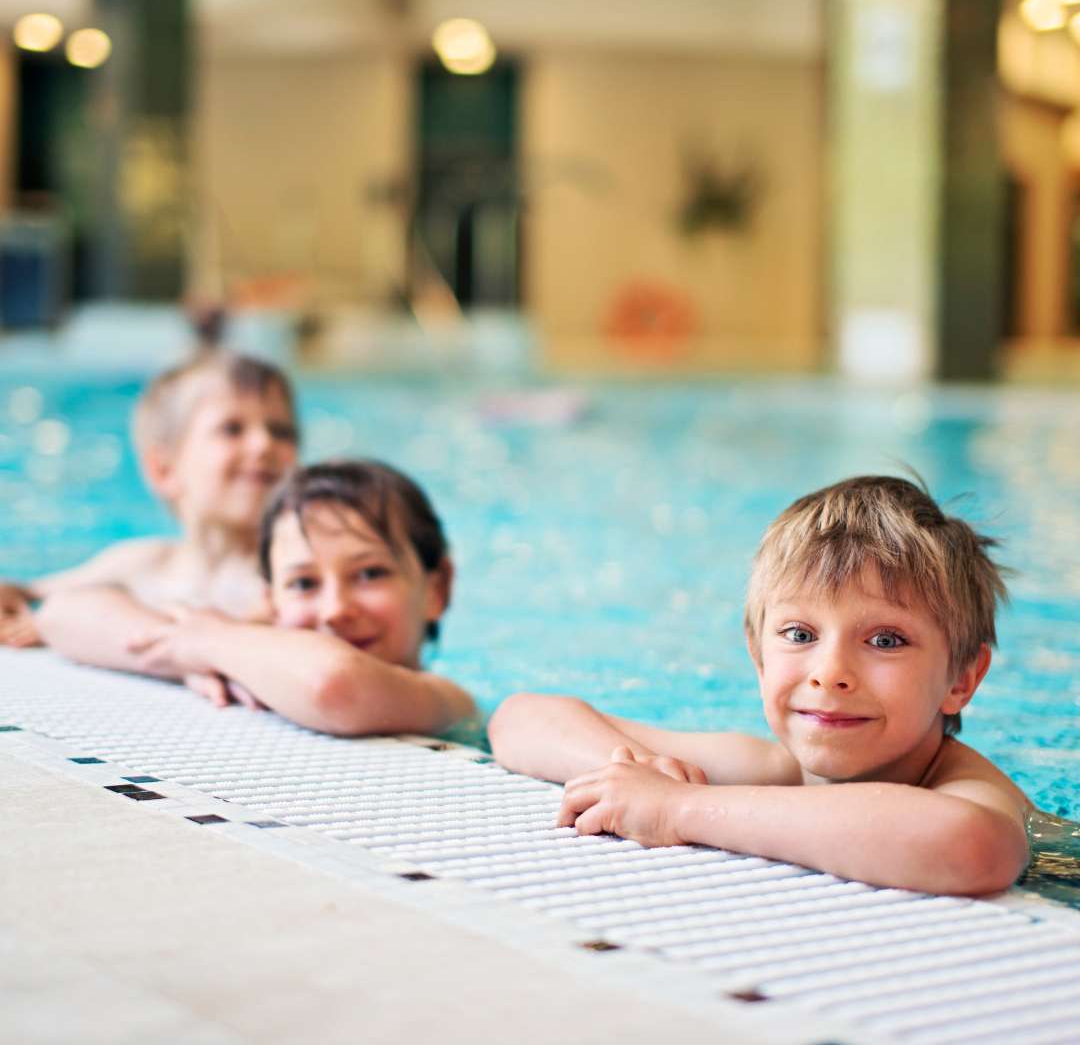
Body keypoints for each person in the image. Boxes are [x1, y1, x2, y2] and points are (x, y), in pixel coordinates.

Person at [489, 475, 1031, 896]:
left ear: (961, 679)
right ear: (758, 658)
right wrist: (634, 774)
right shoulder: (775, 770)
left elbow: (971, 846)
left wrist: (681, 810)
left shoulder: (971, 794)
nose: (829, 671)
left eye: (886, 640)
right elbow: (519, 718)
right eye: (799, 634)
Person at [112, 460, 475, 737]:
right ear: (272, 602)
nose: (335, 609)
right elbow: (66, 613)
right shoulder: (236, 650)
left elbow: (335, 684)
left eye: (370, 574)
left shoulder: (445, 701)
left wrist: (208, 642)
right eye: (303, 583)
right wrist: (183, 654)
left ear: (436, 589)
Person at [25, 352, 299, 683]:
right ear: (165, 469)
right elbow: (32, 593)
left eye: (281, 431)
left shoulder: (292, 578)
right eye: (232, 429)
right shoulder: (141, 563)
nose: (263, 444)